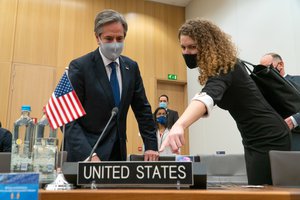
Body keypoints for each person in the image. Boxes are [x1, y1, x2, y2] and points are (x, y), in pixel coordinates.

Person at [160, 18, 291, 185]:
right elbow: (206, 94)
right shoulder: (220, 67)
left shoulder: (226, 66)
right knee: (258, 189)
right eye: (183, 47)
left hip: (269, 136)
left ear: (208, 46)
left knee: (264, 192)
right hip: (252, 138)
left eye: (193, 47)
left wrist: (179, 125)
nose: (187, 52)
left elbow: (208, 96)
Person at [65, 9, 159, 162]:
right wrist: (89, 154)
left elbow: (143, 110)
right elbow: (69, 119)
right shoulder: (80, 67)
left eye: (119, 38)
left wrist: (151, 146)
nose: (115, 44)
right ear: (97, 38)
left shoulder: (131, 67)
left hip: (118, 155)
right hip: (87, 156)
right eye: (109, 38)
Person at [260, 53, 300, 150]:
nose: (265, 72)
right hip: (275, 143)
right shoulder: (262, 90)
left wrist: (295, 119)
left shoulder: (298, 81)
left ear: (281, 65)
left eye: (268, 68)